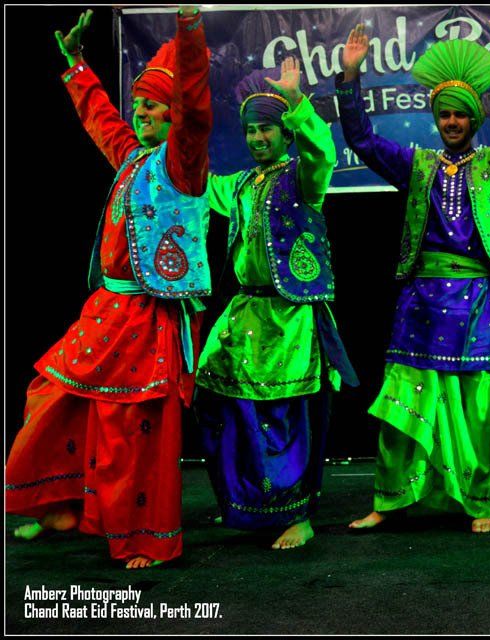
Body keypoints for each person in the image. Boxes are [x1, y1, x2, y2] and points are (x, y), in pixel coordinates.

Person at [5, 7, 212, 568]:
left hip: (147, 317)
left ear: (175, 117)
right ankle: (62, 505)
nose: (140, 110)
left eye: (153, 105)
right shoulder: (133, 159)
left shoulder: (182, 164)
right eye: (139, 103)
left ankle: (146, 539)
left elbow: (194, 103)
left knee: (132, 431)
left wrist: (189, 30)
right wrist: (76, 66)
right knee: (50, 395)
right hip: (107, 309)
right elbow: (101, 119)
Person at [335, 6, 490, 534]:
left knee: (481, 406)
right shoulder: (416, 165)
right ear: (436, 118)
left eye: (461, 115)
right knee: (404, 400)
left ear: (473, 119)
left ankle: (481, 502)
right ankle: (390, 499)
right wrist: (351, 78)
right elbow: (360, 141)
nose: (452, 123)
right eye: (444, 115)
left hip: (478, 301)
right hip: (421, 300)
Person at [195, 56, 357, 550]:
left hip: (290, 316)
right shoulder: (241, 185)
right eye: (251, 131)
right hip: (245, 315)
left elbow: (323, 152)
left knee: (288, 417)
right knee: (225, 408)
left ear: (284, 133)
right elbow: (193, 184)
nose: (259, 139)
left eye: (268, 129)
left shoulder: (303, 178)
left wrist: (297, 101)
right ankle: (247, 503)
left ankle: (299, 515)